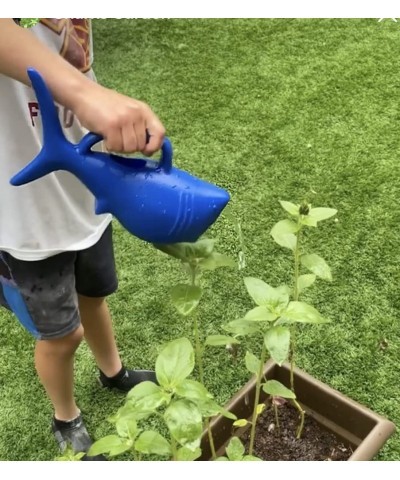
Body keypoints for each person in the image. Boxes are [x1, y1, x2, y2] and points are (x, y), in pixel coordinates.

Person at [0, 18, 166, 460]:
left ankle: (112, 373)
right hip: (25, 213)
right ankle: (65, 416)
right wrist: (87, 94)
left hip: (84, 196)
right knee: (61, 335)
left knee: (94, 294)